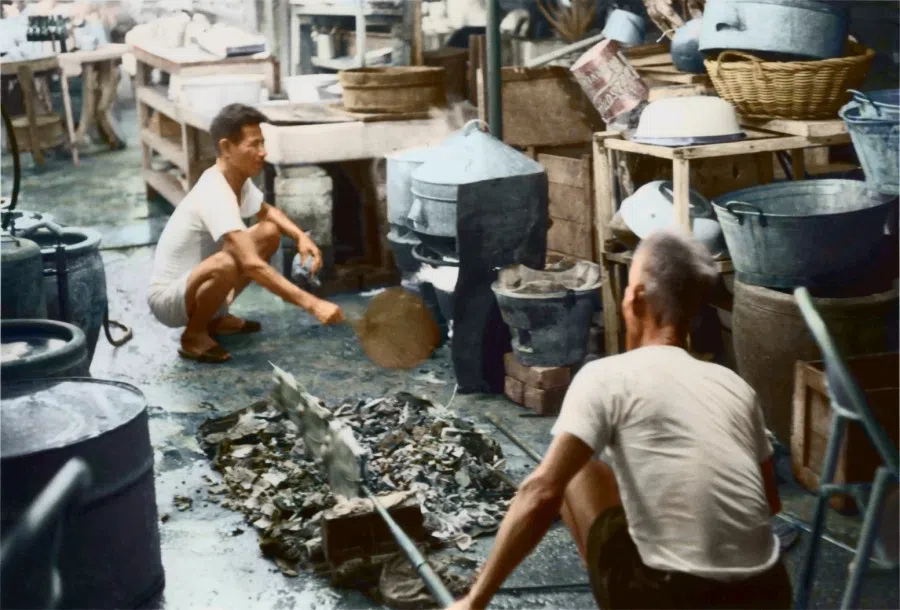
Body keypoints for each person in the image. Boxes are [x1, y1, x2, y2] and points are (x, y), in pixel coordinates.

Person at [448, 229, 792, 610]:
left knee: (579, 475)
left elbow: (542, 493)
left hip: (674, 598)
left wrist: (474, 601)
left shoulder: (605, 376)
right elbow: (769, 502)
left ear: (636, 298)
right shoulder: (734, 385)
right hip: (768, 592)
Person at [147, 104, 343, 363]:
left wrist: (300, 237)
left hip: (192, 283)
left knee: (269, 233)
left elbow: (266, 211)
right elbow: (251, 264)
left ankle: (216, 317)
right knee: (228, 262)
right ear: (227, 148)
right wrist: (313, 305)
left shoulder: (236, 179)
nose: (263, 153)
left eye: (263, 143)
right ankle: (193, 335)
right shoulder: (215, 191)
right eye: (254, 145)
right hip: (168, 300)